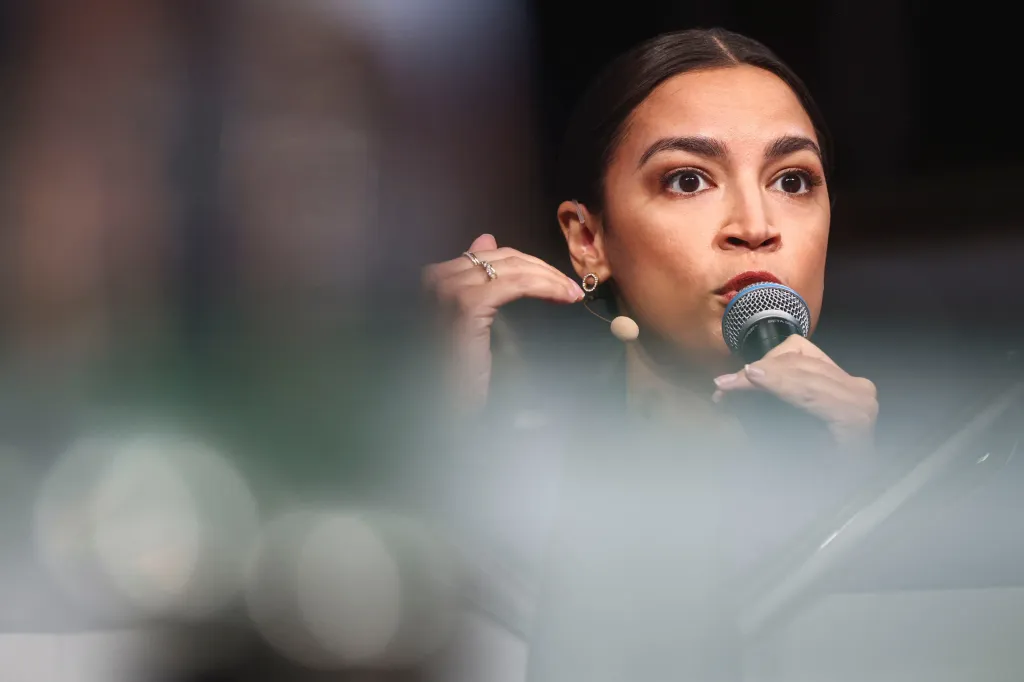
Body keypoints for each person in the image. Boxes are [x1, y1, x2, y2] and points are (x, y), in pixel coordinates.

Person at [424, 28, 881, 681]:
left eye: (792, 180)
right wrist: (438, 450)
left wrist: (863, 508)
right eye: (689, 180)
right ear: (588, 240)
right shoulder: (521, 479)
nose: (755, 225)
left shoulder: (938, 470)